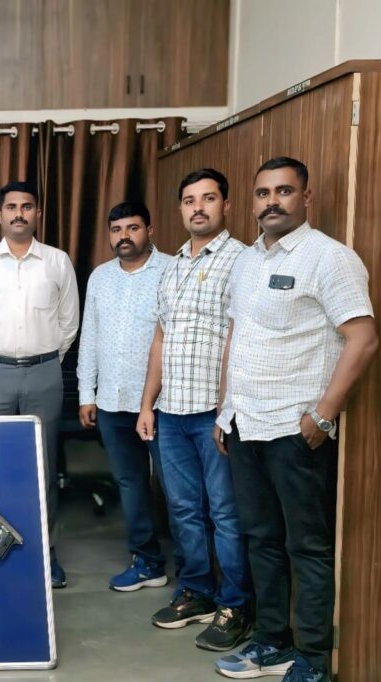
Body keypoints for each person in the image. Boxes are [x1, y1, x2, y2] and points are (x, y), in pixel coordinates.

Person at [213, 157, 377, 682]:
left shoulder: (329, 258)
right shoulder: (246, 261)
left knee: (306, 546)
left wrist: (323, 416)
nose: (272, 202)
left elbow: (363, 338)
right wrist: (224, 409)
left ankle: (312, 660)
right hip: (244, 424)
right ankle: (272, 643)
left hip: (294, 430)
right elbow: (236, 335)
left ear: (305, 198)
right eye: (263, 193)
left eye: (284, 191)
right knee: (260, 539)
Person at [136, 169, 251, 652]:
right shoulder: (173, 265)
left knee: (225, 513)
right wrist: (147, 404)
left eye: (208, 198)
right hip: (171, 412)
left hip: (213, 414)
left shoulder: (242, 260)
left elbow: (239, 337)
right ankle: (198, 591)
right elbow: (160, 337)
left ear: (226, 204)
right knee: (183, 510)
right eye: (189, 200)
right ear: (180, 209)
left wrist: (227, 410)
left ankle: (236, 605)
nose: (198, 208)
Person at [0, 181, 78, 588]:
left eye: (27, 207)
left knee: (42, 465)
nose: (19, 214)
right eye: (11, 207)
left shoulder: (57, 262)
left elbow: (69, 324)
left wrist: (42, 361)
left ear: (37, 214)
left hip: (45, 373)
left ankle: (46, 552)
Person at [77, 201, 175, 592]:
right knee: (130, 483)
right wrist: (87, 393)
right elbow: (90, 337)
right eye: (117, 230)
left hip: (162, 403)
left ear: (149, 230)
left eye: (133, 228)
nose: (124, 236)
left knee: (177, 489)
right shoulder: (100, 277)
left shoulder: (171, 270)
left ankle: (196, 575)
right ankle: (147, 560)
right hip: (112, 400)